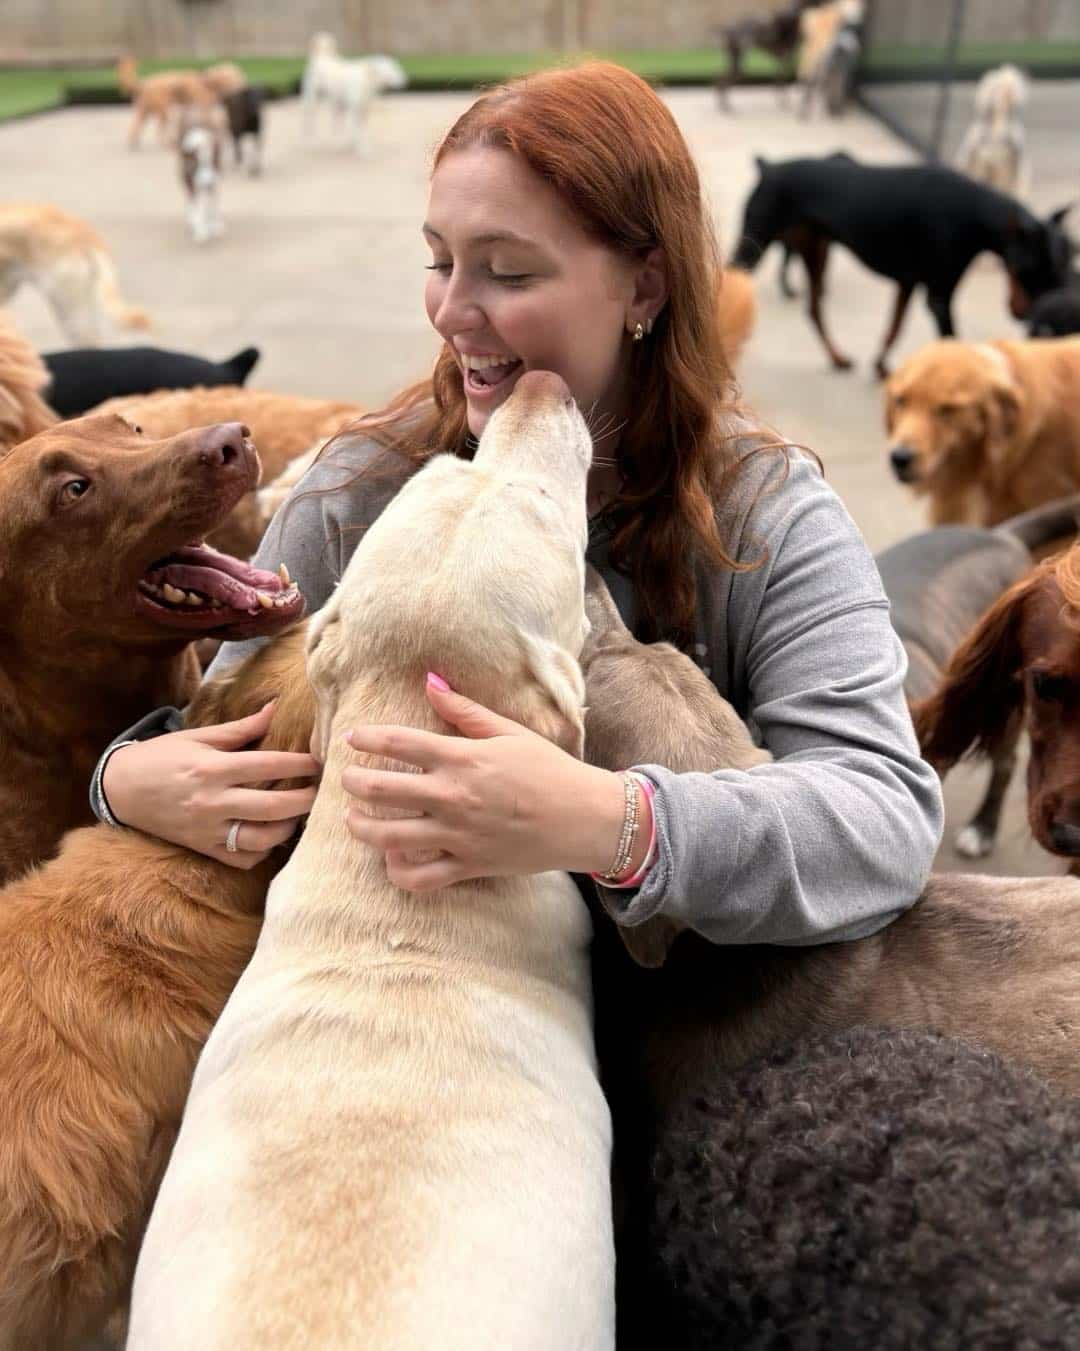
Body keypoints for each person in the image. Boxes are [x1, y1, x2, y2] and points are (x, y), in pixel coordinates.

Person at [93, 61, 943, 945]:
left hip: (689, 1038)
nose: (452, 310)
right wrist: (124, 780)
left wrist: (613, 825)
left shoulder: (767, 511)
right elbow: (217, 726)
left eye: (506, 272)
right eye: (439, 261)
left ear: (644, 286)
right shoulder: (360, 486)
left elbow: (883, 819)